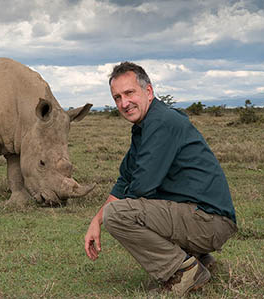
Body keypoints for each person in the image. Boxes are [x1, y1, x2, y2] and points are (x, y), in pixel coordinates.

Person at [84, 62, 237, 296]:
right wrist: (95, 222)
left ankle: (183, 272)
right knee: (118, 210)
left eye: (129, 93)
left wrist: (107, 216)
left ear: (148, 92)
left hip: (209, 222)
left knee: (118, 214)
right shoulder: (145, 127)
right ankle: (199, 260)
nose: (124, 103)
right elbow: (124, 179)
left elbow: (141, 188)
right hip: (204, 218)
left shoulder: (162, 122)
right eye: (117, 97)